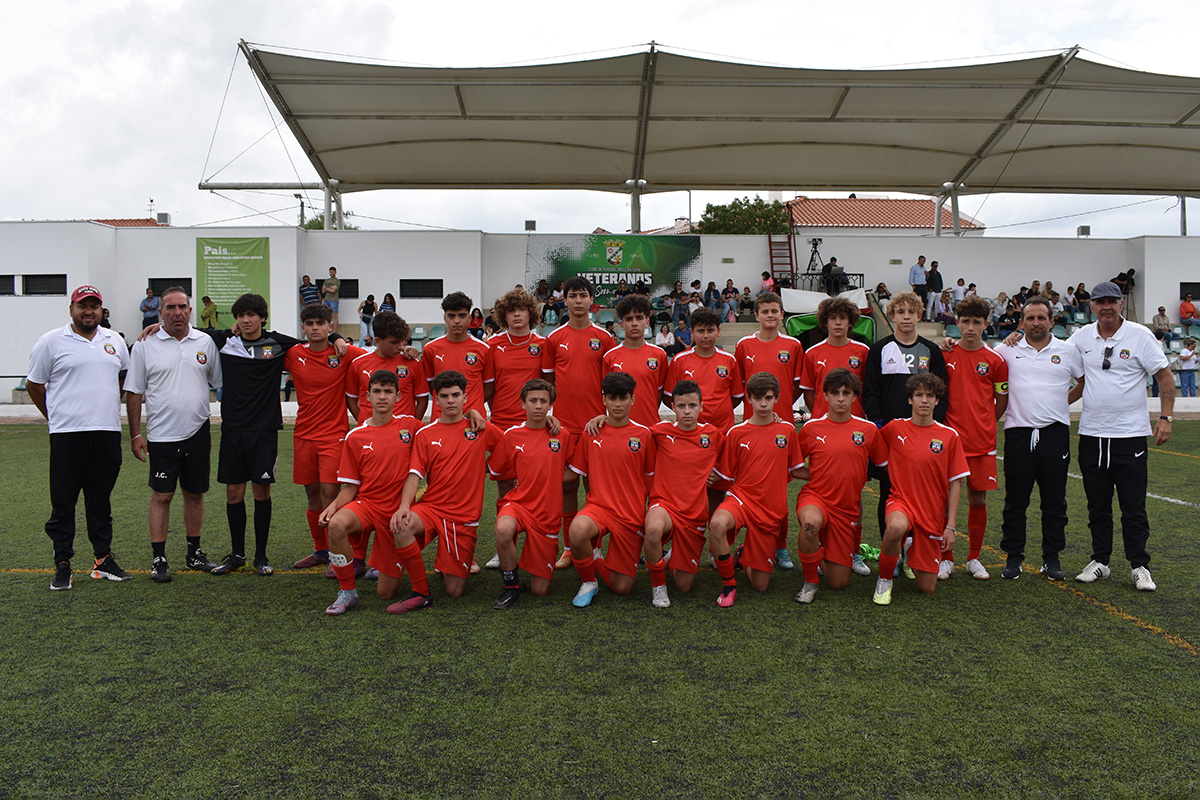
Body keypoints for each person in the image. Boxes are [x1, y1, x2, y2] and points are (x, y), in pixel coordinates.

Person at [201, 292, 347, 576]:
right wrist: (156, 327)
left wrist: (338, 335)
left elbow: (316, 339)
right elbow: (188, 331)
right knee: (233, 494)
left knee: (261, 493)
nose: (246, 320)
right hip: (232, 429)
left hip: (265, 430)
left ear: (262, 318)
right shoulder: (224, 341)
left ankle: (261, 557)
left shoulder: (279, 344)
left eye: (251, 315)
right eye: (241, 316)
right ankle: (237, 555)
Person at [1068, 281, 1173, 591]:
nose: (1107, 307)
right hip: (1092, 435)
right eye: (1100, 302)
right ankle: (1100, 560)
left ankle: (1140, 565)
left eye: (1112, 301)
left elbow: (1164, 376)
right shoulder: (1082, 336)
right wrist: (1016, 339)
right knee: (1097, 504)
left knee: (1133, 505)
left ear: (1121, 303)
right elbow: (1050, 350)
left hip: (1130, 437)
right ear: (1091, 306)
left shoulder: (1140, 335)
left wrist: (1165, 417)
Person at [27, 285, 133, 590]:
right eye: (82, 306)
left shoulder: (114, 340)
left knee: (100, 499)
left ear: (102, 310)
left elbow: (124, 376)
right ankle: (63, 564)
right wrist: (55, 416)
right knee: (64, 502)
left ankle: (103, 561)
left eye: (94, 306)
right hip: (67, 435)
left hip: (106, 432)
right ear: (71, 309)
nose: (89, 311)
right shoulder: (50, 341)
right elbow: (35, 385)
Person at [124, 286, 222, 582]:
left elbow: (219, 383)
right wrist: (135, 434)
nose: (177, 312)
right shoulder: (144, 344)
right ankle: (159, 557)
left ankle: (194, 553)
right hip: (161, 436)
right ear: (159, 311)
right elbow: (133, 392)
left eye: (182, 307)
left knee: (194, 494)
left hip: (197, 432)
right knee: (162, 496)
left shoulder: (205, 341)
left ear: (191, 311)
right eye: (170, 308)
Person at [389, 370, 503, 611]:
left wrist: (547, 421)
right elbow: (414, 474)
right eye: (444, 396)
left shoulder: (481, 428)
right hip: (432, 508)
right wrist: (404, 507)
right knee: (402, 527)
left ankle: (447, 561)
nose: (450, 400)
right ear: (436, 399)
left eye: (455, 395)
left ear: (465, 397)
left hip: (463, 518)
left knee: (454, 592)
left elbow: (511, 445)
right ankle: (422, 593)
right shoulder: (425, 434)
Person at [319, 369, 423, 615]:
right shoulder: (355, 436)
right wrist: (332, 507)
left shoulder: (411, 427)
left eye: (388, 391)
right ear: (367, 396)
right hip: (367, 506)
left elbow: (442, 427)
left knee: (386, 593)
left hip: (397, 513)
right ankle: (348, 592)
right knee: (335, 525)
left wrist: (471, 412)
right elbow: (351, 486)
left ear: (398, 396)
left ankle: (385, 563)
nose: (382, 396)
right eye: (377, 391)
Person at [991, 297, 1075, 580]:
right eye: (1031, 318)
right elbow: (979, 358)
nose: (1036, 323)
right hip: (1018, 433)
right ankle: (1013, 557)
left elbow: (1085, 380)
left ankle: (1051, 558)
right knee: (1016, 500)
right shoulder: (1005, 349)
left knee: (1054, 501)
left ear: (1052, 321)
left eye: (1042, 318)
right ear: (1022, 322)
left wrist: (1062, 402)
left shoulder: (1068, 350)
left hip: (1055, 433)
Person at [863, 292, 948, 568]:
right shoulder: (879, 349)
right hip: (890, 437)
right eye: (901, 312)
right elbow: (871, 391)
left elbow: (941, 393)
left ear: (920, 315)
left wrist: (936, 427)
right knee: (889, 492)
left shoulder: (931, 351)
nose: (906, 316)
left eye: (912, 311)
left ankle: (914, 552)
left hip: (923, 436)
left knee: (921, 493)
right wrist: (879, 426)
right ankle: (892, 552)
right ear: (892, 315)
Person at [542, 277, 617, 571]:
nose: (577, 301)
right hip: (565, 427)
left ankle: (594, 547)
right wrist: (551, 412)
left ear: (591, 301)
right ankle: (570, 548)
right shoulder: (554, 338)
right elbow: (548, 381)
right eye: (572, 295)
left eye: (583, 295)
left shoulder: (605, 338)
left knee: (595, 488)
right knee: (567, 485)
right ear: (565, 300)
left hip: (597, 426)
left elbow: (610, 383)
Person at [794, 369, 888, 603]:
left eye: (846, 393)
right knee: (809, 525)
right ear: (824, 395)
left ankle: (821, 552)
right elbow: (794, 468)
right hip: (816, 498)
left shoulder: (867, 430)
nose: (840, 398)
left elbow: (884, 465)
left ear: (855, 396)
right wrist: (819, 475)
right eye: (834, 392)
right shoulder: (811, 428)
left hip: (846, 509)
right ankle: (809, 583)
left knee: (839, 583)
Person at [284, 304, 365, 573]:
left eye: (321, 323)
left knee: (332, 494)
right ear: (303, 327)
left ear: (331, 326)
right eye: (309, 323)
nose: (315, 327)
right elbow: (264, 341)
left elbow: (376, 358)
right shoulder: (294, 354)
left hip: (334, 436)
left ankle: (337, 553)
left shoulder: (343, 352)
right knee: (311, 494)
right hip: (304, 435)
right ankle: (320, 550)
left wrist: (409, 351)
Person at [873, 373, 967, 605]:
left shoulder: (949, 436)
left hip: (932, 514)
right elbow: (869, 438)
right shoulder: (895, 428)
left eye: (930, 395)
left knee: (927, 588)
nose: (924, 400)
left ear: (937, 401)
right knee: (895, 527)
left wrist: (951, 526)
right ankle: (884, 580)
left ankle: (910, 545)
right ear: (910, 400)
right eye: (919, 395)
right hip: (901, 501)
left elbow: (955, 482)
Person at [709, 372, 805, 598]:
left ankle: (743, 556)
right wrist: (706, 477)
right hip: (741, 499)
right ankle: (729, 585)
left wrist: (829, 474)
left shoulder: (788, 431)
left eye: (768, 398)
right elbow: (724, 474)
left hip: (769, 509)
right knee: (717, 524)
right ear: (748, 398)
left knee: (760, 585)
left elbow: (796, 469)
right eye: (758, 398)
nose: (763, 404)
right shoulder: (736, 432)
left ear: (777, 399)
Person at [565, 371, 656, 608]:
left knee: (621, 588)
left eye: (623, 398)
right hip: (599, 508)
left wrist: (650, 515)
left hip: (630, 514)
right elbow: (573, 472)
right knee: (577, 530)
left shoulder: (644, 435)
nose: (617, 404)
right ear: (603, 399)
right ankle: (588, 582)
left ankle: (594, 558)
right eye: (612, 398)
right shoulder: (591, 431)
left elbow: (651, 480)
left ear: (632, 400)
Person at [487, 379, 574, 608]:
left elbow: (573, 471)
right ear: (523, 404)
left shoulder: (562, 435)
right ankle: (511, 587)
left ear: (550, 405)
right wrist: (522, 479)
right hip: (519, 504)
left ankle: (525, 573)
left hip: (547, 514)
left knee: (540, 591)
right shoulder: (512, 435)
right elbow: (496, 469)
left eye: (543, 401)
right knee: (504, 528)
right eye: (532, 400)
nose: (538, 405)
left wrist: (548, 477)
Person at [733, 290, 804, 568]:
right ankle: (752, 541)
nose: (770, 316)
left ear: (782, 314)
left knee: (779, 491)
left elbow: (796, 385)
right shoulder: (744, 345)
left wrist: (782, 410)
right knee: (748, 488)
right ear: (757, 315)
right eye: (765, 311)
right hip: (751, 429)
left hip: (781, 428)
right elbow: (739, 388)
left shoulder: (793, 345)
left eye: (775, 311)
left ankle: (781, 546)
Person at [940, 295, 1008, 581]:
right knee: (944, 499)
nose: (970, 328)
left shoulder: (996, 361)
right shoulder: (944, 354)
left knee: (977, 499)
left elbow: (1001, 399)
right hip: (949, 442)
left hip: (982, 442)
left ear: (986, 324)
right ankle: (945, 558)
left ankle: (974, 558)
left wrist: (987, 424)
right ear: (957, 322)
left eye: (976, 322)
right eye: (965, 321)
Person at [644, 381, 729, 607]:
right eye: (681, 405)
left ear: (701, 406)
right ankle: (658, 586)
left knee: (684, 585)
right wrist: (600, 418)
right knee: (652, 528)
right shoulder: (660, 431)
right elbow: (628, 429)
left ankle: (672, 556)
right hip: (665, 504)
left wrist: (718, 473)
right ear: (673, 407)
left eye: (692, 405)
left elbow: (735, 454)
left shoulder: (713, 435)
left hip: (694, 514)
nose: (687, 411)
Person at [663, 307, 743, 433]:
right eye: (700, 331)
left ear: (718, 331)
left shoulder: (730, 360)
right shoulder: (679, 361)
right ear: (692, 332)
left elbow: (736, 397)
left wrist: (719, 411)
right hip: (690, 432)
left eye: (710, 330)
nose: (706, 336)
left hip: (722, 430)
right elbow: (669, 397)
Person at [345, 311, 429, 424]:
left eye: (402, 341)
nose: (400, 347)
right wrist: (364, 422)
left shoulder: (413, 363)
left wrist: (411, 425)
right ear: (378, 341)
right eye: (394, 342)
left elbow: (422, 400)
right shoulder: (358, 364)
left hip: (402, 434)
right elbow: (351, 399)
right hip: (370, 435)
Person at [422, 292, 493, 422]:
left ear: (469, 318)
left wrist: (469, 406)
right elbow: (430, 384)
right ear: (445, 318)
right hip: (441, 420)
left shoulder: (484, 349)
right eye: (451, 316)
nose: (456, 321)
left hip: (473, 421)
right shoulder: (430, 349)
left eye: (462, 315)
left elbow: (489, 387)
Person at [601, 294, 668, 427]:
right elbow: (605, 395)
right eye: (629, 319)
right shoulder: (609, 357)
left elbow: (659, 393)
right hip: (619, 427)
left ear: (647, 322)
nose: (634, 323)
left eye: (639, 318)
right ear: (621, 324)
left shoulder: (659, 355)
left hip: (650, 426)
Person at [800, 296, 870, 420]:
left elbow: (868, 390)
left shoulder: (863, 351)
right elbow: (808, 392)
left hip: (855, 420)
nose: (838, 322)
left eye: (843, 318)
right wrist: (819, 413)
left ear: (850, 322)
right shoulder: (812, 353)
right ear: (825, 322)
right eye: (833, 318)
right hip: (822, 420)